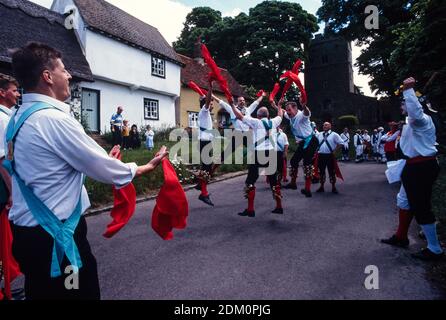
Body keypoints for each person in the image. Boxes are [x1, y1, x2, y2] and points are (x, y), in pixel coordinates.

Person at [5, 42, 169, 300]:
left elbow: (49, 170)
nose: (69, 75)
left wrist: (99, 160)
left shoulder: (18, 117)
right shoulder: (53, 119)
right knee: (77, 295)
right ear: (47, 77)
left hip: (28, 234)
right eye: (63, 69)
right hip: (57, 240)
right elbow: (108, 172)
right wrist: (147, 166)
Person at [381, 77, 443, 261]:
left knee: (421, 206)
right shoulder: (411, 123)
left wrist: (408, 90)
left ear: (416, 103)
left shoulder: (422, 119)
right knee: (404, 200)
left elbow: (415, 113)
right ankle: (401, 237)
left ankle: (435, 249)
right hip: (413, 167)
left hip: (422, 167)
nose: (402, 105)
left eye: (404, 102)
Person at [230, 99, 284, 217]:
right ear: (268, 115)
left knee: (250, 181)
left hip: (258, 154)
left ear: (258, 116)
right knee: (274, 181)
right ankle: (279, 206)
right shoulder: (274, 122)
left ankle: (250, 209)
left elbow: (239, 117)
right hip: (271, 154)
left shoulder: (256, 122)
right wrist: (279, 106)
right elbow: (280, 115)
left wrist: (232, 106)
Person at [0, 76, 22, 300]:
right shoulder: (2, 119)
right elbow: (3, 160)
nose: (17, 94)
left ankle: (5, 289)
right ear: (2, 92)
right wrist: (12, 193)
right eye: (14, 91)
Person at [283, 99, 319, 198]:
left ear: (295, 108)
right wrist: (275, 105)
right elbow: (283, 112)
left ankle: (307, 189)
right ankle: (293, 183)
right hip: (303, 142)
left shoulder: (301, 115)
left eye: (289, 110)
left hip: (311, 140)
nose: (287, 112)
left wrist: (304, 106)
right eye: (287, 110)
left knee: (307, 164)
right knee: (294, 161)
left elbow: (307, 113)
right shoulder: (291, 115)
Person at [196, 84, 215, 207]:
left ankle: (200, 185)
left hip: (206, 142)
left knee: (207, 167)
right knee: (206, 168)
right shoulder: (204, 110)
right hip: (204, 143)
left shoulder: (206, 114)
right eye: (211, 103)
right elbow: (207, 101)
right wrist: (210, 87)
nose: (213, 104)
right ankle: (203, 192)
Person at [315, 122, 344, 194]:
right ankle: (321, 187)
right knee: (321, 172)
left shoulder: (334, 134)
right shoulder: (319, 134)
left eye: (326, 125)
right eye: (324, 125)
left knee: (332, 172)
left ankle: (333, 187)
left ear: (330, 126)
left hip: (330, 156)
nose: (324, 126)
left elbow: (341, 143)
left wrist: (335, 150)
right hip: (321, 155)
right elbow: (315, 142)